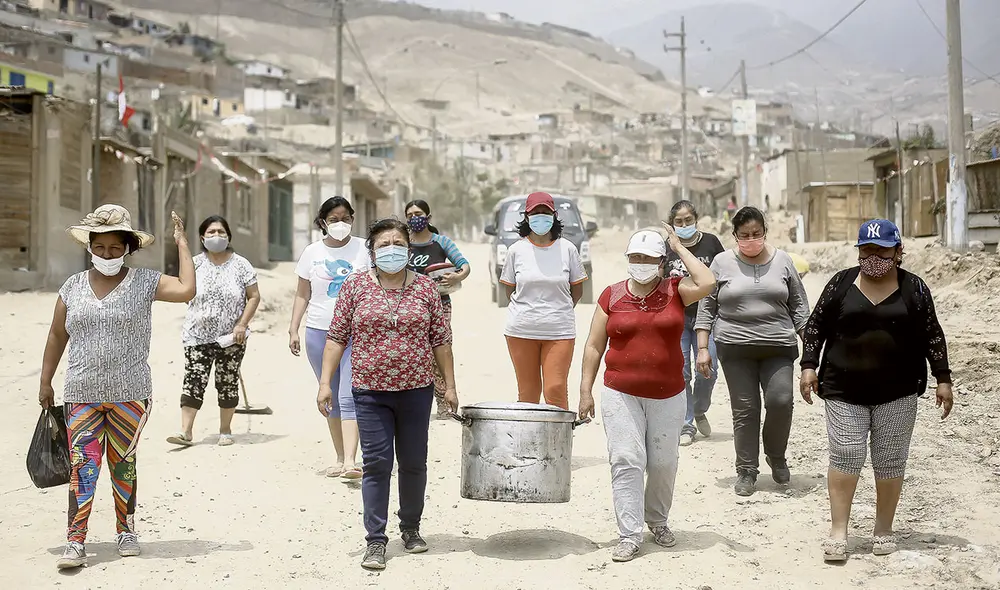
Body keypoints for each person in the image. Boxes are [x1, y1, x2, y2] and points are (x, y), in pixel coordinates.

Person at [39, 204, 196, 570]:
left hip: (131, 395)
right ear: (89, 247)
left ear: (128, 248)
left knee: (123, 464)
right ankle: (76, 541)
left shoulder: (145, 282)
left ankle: (126, 531)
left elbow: (187, 288)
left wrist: (182, 243)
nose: (107, 254)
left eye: (115, 248)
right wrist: (45, 380)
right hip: (81, 394)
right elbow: (57, 334)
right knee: (84, 466)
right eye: (100, 247)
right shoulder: (72, 287)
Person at [799, 219, 953, 562]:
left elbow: (932, 334)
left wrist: (943, 378)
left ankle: (883, 529)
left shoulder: (914, 288)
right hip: (842, 389)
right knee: (846, 455)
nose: (874, 258)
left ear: (898, 251)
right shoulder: (841, 283)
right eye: (866, 250)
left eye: (882, 251)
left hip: (898, 391)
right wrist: (808, 366)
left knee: (890, 460)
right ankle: (839, 532)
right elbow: (816, 327)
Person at [319, 218, 459, 571]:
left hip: (416, 390)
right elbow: (336, 337)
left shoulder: (426, 288)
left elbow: (441, 341)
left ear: (409, 250)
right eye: (384, 244)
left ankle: (410, 528)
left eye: (398, 243)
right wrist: (325, 383)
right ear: (372, 251)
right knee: (377, 463)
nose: (391, 249)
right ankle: (376, 540)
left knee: (413, 462)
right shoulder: (355, 287)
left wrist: (450, 386)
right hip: (370, 391)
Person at [579, 228, 716, 563]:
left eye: (649, 258)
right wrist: (585, 390)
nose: (641, 263)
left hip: (668, 394)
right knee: (626, 459)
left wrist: (678, 247)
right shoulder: (611, 296)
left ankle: (657, 520)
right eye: (635, 257)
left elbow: (708, 281)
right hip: (620, 393)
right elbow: (594, 345)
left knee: (663, 463)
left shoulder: (676, 290)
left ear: (661, 262)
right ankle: (629, 534)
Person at [695, 206, 810, 497]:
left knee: (781, 401)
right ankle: (746, 470)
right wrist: (703, 348)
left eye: (756, 233)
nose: (751, 239)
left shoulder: (783, 260)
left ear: (765, 232)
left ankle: (776, 455)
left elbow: (799, 306)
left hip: (778, 346)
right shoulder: (721, 262)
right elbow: (706, 307)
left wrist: (811, 348)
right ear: (735, 235)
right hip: (735, 347)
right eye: (744, 235)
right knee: (745, 409)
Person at [289, 197, 369, 479]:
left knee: (349, 394)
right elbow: (302, 294)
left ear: (352, 219)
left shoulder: (365, 249)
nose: (340, 223)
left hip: (356, 333)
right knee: (330, 394)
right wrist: (293, 328)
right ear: (323, 222)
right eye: (334, 219)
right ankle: (339, 457)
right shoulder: (312, 252)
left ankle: (351, 461)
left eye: (345, 218)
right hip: (318, 332)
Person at [168, 215, 260, 447]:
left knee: (227, 382)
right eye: (211, 232)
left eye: (221, 232)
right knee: (194, 380)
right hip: (197, 336)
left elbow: (254, 296)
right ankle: (185, 432)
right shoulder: (195, 264)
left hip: (231, 338)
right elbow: (184, 289)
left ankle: (225, 430)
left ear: (228, 236)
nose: (216, 236)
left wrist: (242, 324)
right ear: (202, 237)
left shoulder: (241, 265)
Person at [500, 191, 588, 410]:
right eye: (535, 212)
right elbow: (509, 289)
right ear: (526, 217)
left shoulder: (568, 249)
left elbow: (577, 289)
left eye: (545, 212)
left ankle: (559, 433)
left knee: (555, 389)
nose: (541, 216)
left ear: (554, 216)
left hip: (559, 331)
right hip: (521, 331)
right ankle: (528, 434)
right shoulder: (515, 251)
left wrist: (557, 309)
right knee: (528, 393)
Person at [663, 200, 726, 446]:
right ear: (672, 224)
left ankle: (699, 409)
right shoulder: (667, 247)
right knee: (682, 371)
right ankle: (687, 423)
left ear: (696, 219)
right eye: (678, 222)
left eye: (688, 220)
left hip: (708, 318)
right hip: (677, 317)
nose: (684, 225)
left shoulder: (711, 243)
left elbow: (723, 276)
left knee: (708, 370)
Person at [403, 199, 471, 419]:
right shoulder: (403, 242)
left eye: (418, 214)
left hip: (439, 304)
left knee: (439, 351)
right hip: (407, 305)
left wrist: (458, 276)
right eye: (410, 215)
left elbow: (464, 265)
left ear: (428, 217)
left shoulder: (441, 242)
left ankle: (443, 402)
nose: (414, 218)